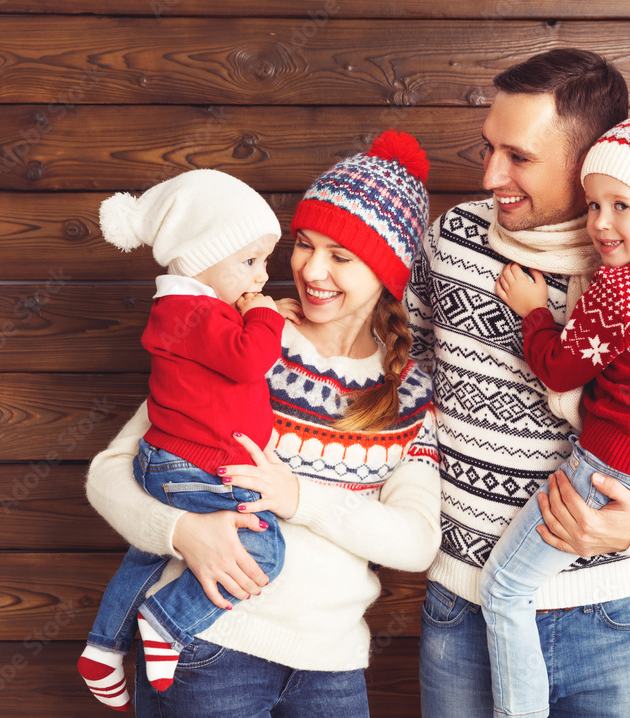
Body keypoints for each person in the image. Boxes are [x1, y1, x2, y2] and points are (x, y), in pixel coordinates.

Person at [405, 49, 630, 717]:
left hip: (616, 623)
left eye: (519, 156)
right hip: (465, 611)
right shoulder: (452, 241)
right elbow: (405, 371)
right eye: (489, 149)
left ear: (592, 157)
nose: (490, 175)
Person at [84, 130, 441, 717]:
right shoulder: (243, 340)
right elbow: (112, 471)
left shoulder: (408, 394)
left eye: (341, 256)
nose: (311, 269)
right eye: (304, 244)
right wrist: (179, 532)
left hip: (333, 669)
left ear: (387, 273)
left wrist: (301, 497)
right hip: (207, 650)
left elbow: (417, 541)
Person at [78, 168, 290, 709]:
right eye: (249, 262)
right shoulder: (192, 310)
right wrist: (265, 318)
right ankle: (167, 621)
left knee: (146, 556)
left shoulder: (193, 309)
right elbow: (247, 359)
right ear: (198, 257)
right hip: (193, 467)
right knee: (263, 548)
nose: (261, 278)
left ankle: (103, 649)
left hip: (172, 462)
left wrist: (252, 310)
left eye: (264, 261)